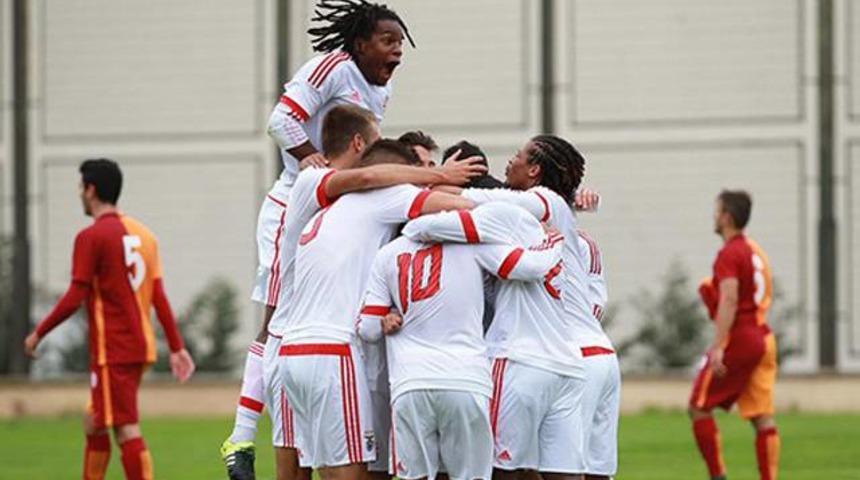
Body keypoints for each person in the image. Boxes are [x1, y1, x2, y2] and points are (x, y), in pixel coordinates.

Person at [224, 0, 415, 476]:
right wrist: (316, 164)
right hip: (297, 201)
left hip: (336, 207)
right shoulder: (332, 66)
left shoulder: (379, 94)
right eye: (388, 41)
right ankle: (241, 438)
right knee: (277, 319)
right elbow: (281, 121)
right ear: (360, 43)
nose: (397, 52)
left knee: (328, 314)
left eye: (400, 43)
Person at [265, 105, 485, 480]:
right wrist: (543, 208)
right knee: (351, 472)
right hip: (332, 349)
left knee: (320, 469)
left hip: (292, 348)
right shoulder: (346, 188)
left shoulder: (325, 210)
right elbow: (463, 208)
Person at [357, 203, 565, 480]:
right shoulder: (472, 245)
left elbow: (368, 329)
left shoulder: (387, 254)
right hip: (466, 379)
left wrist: (388, 316)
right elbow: (527, 267)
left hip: (410, 382)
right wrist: (553, 239)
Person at [24, 158, 195, 480]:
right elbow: (158, 296)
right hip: (137, 345)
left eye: (80, 187)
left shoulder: (92, 237)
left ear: (91, 190)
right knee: (95, 421)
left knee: (126, 427)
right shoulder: (144, 236)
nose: (79, 193)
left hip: (114, 349)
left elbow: (76, 295)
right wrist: (176, 346)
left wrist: (38, 334)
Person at [690, 190, 779, 480]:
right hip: (764, 336)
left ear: (727, 216)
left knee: (699, 407)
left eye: (717, 211)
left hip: (739, 337)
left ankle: (718, 476)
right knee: (763, 416)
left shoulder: (729, 253)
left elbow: (729, 298)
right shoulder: (755, 250)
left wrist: (718, 347)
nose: (714, 217)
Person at [575, 230, 620, 480]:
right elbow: (597, 305)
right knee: (598, 467)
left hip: (573, 358)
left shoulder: (523, 238)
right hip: (602, 351)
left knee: (564, 464)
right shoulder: (586, 242)